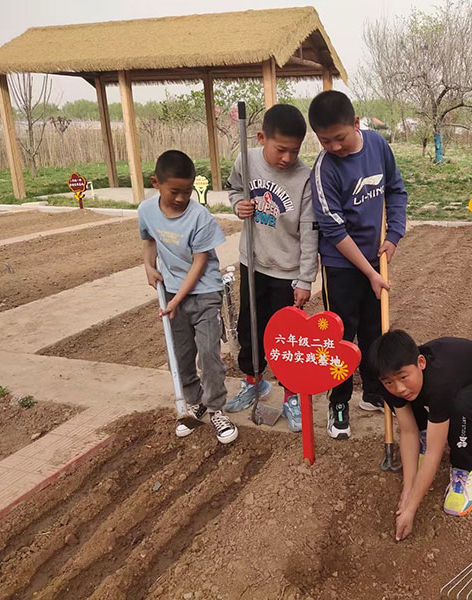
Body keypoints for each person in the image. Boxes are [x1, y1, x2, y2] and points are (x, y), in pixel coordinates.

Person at [308, 90, 408, 440]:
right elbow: (334, 230)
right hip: (342, 265)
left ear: (356, 123)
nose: (333, 147)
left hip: (375, 258)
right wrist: (369, 273)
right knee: (340, 335)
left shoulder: (378, 146)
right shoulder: (324, 170)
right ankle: (339, 401)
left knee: (374, 332)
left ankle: (373, 391)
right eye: (324, 141)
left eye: (339, 138)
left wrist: (393, 236)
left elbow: (396, 190)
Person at [223, 104, 318, 433]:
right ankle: (253, 381)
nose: (288, 158)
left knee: (288, 339)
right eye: (281, 149)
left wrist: (306, 279)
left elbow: (309, 230)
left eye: (295, 151)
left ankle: (292, 395)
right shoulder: (246, 162)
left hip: (288, 272)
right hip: (253, 261)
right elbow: (234, 188)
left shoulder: (305, 178)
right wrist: (239, 204)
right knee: (251, 328)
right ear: (262, 138)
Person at [368, 330, 472, 541]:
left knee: (460, 408)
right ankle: (430, 432)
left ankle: (465, 472)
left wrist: (411, 509)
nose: (398, 387)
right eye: (389, 382)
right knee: (412, 395)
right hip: (453, 378)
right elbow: (408, 432)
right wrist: (407, 490)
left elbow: (435, 452)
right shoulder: (392, 384)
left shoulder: (441, 382)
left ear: (421, 363)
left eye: (403, 377)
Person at [139, 150, 238, 444]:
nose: (182, 198)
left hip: (204, 291)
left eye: (187, 191)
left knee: (209, 353)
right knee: (179, 355)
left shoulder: (200, 217)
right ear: (156, 182)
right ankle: (195, 403)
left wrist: (177, 299)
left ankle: (217, 408)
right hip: (170, 293)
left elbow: (199, 263)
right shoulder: (146, 210)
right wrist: (148, 266)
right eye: (175, 191)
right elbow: (148, 240)